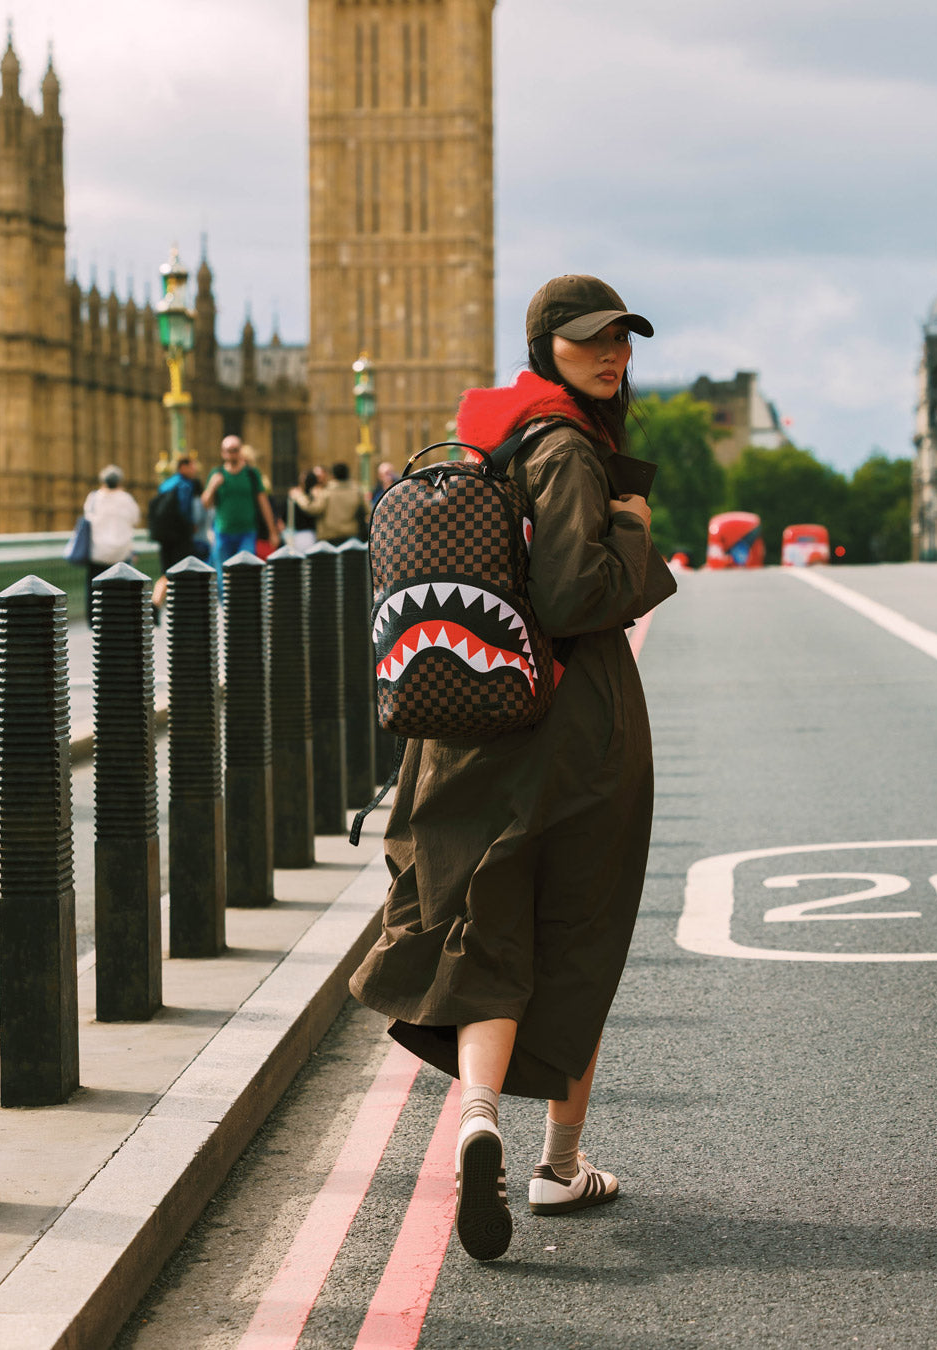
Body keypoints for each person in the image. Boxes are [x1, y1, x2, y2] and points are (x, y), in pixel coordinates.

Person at [349, 274, 677, 1261]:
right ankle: (560, 1165)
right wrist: (634, 526)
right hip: (566, 726)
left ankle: (478, 1119)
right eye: (591, 341)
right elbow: (577, 596)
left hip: (468, 721)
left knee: (486, 926)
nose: (612, 355)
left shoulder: (488, 441)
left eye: (622, 339)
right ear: (546, 350)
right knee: (579, 934)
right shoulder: (568, 447)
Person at [200, 435, 279, 595]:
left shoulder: (251, 474)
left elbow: (264, 503)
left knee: (245, 571)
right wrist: (212, 486)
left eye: (235, 450)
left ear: (240, 451)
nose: (231, 454)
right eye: (228, 451)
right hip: (223, 533)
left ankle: (243, 603)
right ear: (222, 453)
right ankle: (226, 607)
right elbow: (206, 504)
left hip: (247, 532)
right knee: (222, 575)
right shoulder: (217, 473)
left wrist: (273, 531)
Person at [83, 465, 140, 628]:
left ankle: (94, 620)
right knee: (121, 589)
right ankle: (120, 619)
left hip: (98, 552)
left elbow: (87, 517)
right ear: (120, 482)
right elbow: (135, 519)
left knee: (94, 588)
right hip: (121, 553)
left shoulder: (94, 497)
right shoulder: (126, 499)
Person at [150, 455, 203, 621]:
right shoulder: (185, 485)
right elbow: (185, 510)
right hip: (180, 537)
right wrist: (192, 525)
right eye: (192, 466)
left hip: (164, 536)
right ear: (183, 467)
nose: (195, 470)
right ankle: (184, 609)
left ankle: (156, 601)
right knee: (184, 570)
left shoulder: (166, 484)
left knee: (166, 572)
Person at [310, 461, 366, 545]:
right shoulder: (357, 490)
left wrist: (300, 497)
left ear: (332, 475)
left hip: (329, 536)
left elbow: (316, 509)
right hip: (351, 534)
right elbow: (367, 509)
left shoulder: (326, 491)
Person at [287, 468, 323, 552]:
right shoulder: (297, 495)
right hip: (301, 533)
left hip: (310, 533)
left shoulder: (314, 495)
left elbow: (310, 508)